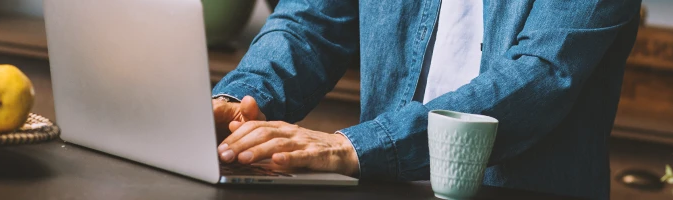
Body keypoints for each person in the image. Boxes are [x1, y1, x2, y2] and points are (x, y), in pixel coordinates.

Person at [211, 1, 641, 199]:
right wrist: (242, 102)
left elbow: (542, 75)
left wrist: (355, 146)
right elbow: (311, 22)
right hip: (386, 187)